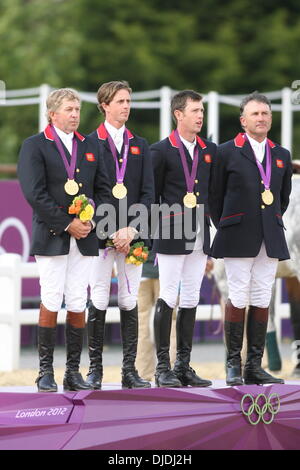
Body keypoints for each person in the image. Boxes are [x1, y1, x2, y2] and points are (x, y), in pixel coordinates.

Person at [17, 88, 111, 392]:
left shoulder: (89, 146)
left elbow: (103, 189)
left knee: (76, 299)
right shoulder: (35, 146)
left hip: (84, 235)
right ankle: (45, 371)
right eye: (69, 109)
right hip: (53, 234)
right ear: (52, 113)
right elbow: (35, 193)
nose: (75, 115)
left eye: (77, 109)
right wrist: (67, 223)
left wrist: (90, 218)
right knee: (52, 296)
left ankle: (73, 371)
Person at [209, 91, 293, 386]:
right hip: (237, 232)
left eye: (265, 113)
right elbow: (214, 196)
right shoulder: (226, 152)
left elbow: (281, 199)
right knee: (238, 295)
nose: (261, 118)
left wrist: (267, 222)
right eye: (255, 114)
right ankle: (234, 362)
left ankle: (254, 365)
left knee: (262, 297)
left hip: (269, 235)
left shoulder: (281, 154)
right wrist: (226, 224)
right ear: (243, 120)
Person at [87, 80, 154, 389]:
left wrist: (132, 229)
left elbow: (148, 193)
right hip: (102, 234)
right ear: (105, 105)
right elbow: (89, 193)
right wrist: (111, 228)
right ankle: (95, 371)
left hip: (132, 234)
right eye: (120, 101)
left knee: (129, 299)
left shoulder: (140, 144)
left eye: (129, 100)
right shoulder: (89, 143)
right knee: (98, 297)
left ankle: (129, 371)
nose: (126, 106)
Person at [150, 90, 216, 387]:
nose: (200, 116)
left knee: (191, 297)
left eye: (202, 111)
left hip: (201, 232)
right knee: (168, 295)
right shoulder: (161, 151)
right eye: (195, 111)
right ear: (179, 114)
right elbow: (152, 197)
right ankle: (162, 366)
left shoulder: (208, 150)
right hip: (172, 231)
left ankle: (183, 365)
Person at [136, 250, 177, 381]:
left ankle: (143, 372)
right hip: (165, 271)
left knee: (141, 324)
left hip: (140, 268)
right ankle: (171, 368)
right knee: (171, 321)